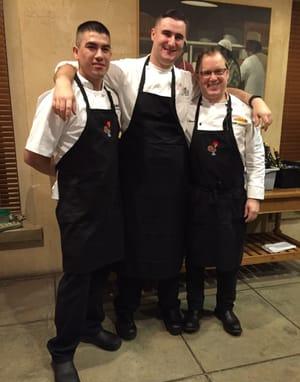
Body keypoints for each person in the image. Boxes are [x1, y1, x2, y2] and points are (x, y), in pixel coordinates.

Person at [51, 10, 272, 341]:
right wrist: (62, 81)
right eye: (166, 34)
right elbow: (75, 64)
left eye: (179, 37)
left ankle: (171, 307)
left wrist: (255, 99)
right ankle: (125, 311)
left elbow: (222, 90)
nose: (172, 41)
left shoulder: (186, 78)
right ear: (153, 34)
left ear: (183, 43)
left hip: (175, 181)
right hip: (134, 179)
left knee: (173, 245)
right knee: (132, 246)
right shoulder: (125, 70)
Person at [24, 21, 123, 382]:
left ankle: (91, 325)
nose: (99, 55)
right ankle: (62, 351)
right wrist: (67, 176)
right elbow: (33, 154)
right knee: (77, 277)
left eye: (105, 48)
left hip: (109, 202)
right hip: (78, 204)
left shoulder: (111, 95)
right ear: (76, 51)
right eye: (91, 47)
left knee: (100, 271)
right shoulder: (60, 98)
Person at [183, 47, 265, 336]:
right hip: (197, 197)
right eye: (206, 72)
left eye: (219, 71)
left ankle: (225, 307)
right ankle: (193, 308)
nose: (213, 77)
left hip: (232, 197)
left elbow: (256, 157)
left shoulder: (244, 113)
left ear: (228, 74)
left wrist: (254, 196)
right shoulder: (187, 109)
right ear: (198, 76)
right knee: (194, 258)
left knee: (229, 256)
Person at [240, 31, 267, 97]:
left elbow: (238, 78)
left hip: (251, 101)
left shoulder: (248, 61)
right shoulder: (268, 59)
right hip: (266, 101)